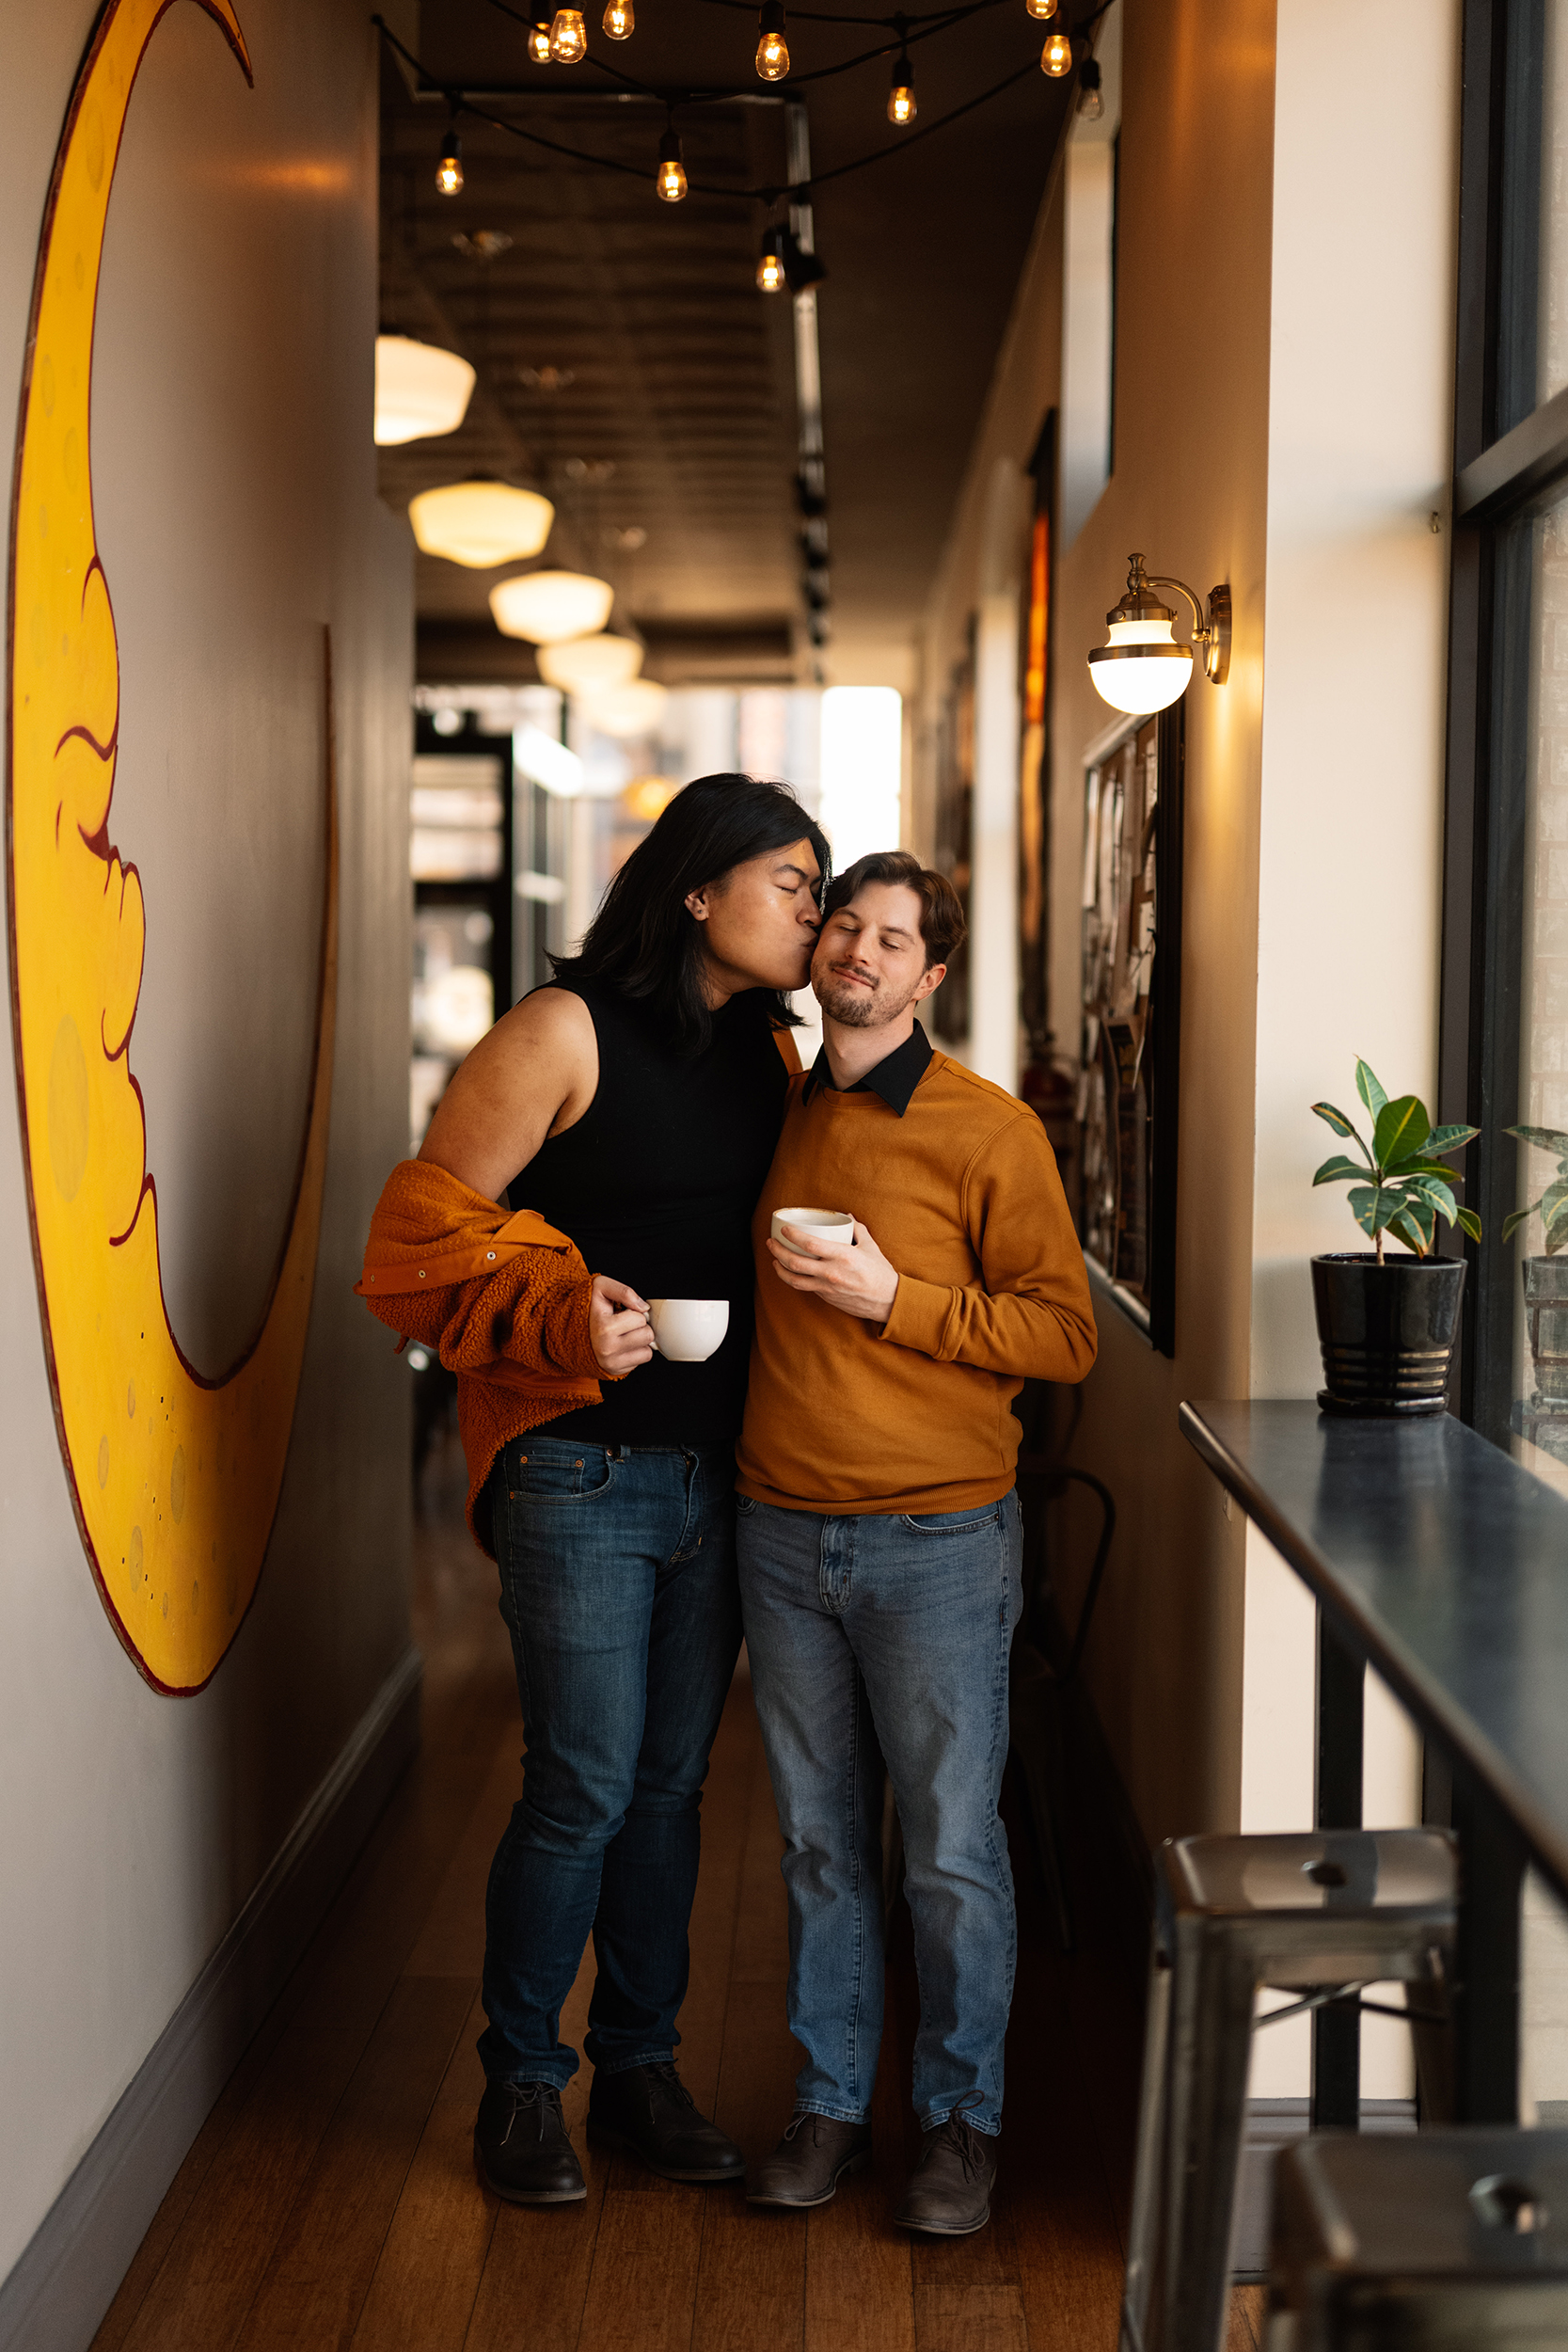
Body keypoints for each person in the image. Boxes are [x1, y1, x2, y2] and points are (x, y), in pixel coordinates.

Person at [356, 775, 829, 2207]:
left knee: (675, 1791)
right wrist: (569, 1309)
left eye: (817, 889)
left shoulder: (774, 1054)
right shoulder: (563, 1030)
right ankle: (518, 2093)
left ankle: (637, 2070)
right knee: (581, 1785)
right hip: (581, 1464)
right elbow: (413, 1243)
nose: (812, 909)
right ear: (699, 890)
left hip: (724, 1470)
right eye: (791, 884)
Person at [735, 848, 1097, 2236]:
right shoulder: (769, 1108)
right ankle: (829, 2106)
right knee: (821, 1847)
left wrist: (896, 1300)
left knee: (948, 1850)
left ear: (931, 975)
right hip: (781, 1532)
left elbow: (1062, 1337)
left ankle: (957, 2124)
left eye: (895, 940)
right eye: (844, 926)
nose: (861, 953)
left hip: (939, 1541)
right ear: (818, 947)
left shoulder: (989, 1130)